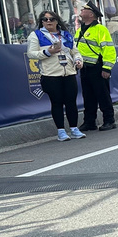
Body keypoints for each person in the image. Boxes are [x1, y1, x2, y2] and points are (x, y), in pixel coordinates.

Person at [27, 11, 85, 141]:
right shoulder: (36, 35)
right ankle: (61, 131)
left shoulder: (65, 34)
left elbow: (75, 52)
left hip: (69, 73)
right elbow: (31, 54)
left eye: (51, 19)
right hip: (50, 75)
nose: (48, 21)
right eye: (45, 19)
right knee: (57, 102)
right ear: (41, 22)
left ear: (57, 21)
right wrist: (48, 52)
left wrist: (78, 60)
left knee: (71, 102)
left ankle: (74, 128)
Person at [75, 2, 117, 131]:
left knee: (103, 95)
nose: (82, 10)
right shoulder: (80, 29)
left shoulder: (100, 29)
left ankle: (109, 120)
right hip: (84, 68)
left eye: (85, 9)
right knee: (88, 97)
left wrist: (106, 68)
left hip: (97, 67)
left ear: (91, 14)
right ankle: (89, 122)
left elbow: (109, 49)